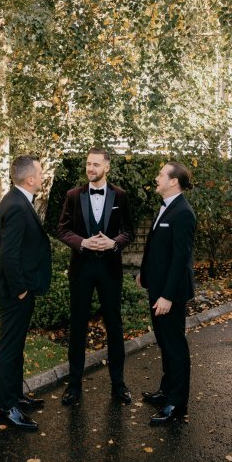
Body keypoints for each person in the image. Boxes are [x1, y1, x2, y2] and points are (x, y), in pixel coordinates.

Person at [57, 147, 135, 405]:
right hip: (81, 269)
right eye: (88, 164)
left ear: (107, 167)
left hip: (110, 269)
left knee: (114, 326)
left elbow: (129, 232)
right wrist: (83, 242)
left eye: (96, 165)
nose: (90, 169)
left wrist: (113, 243)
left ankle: (119, 384)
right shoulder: (72, 195)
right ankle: (74, 385)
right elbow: (63, 229)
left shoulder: (121, 196)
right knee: (78, 325)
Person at [0, 155, 52, 430]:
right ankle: (7, 407)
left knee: (16, 347)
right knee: (10, 348)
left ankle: (15, 396)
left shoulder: (17, 199)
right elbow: (9, 255)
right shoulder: (16, 205)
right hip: (15, 292)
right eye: (39, 172)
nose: (42, 176)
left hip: (19, 289)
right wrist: (22, 290)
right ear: (29, 179)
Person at [137, 161, 196, 424]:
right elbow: (157, 248)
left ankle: (176, 404)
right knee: (164, 342)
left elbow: (180, 259)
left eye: (161, 174)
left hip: (169, 294)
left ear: (174, 181)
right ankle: (166, 390)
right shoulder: (165, 207)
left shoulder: (183, 212)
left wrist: (168, 296)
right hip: (157, 288)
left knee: (175, 347)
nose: (157, 178)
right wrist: (144, 273)